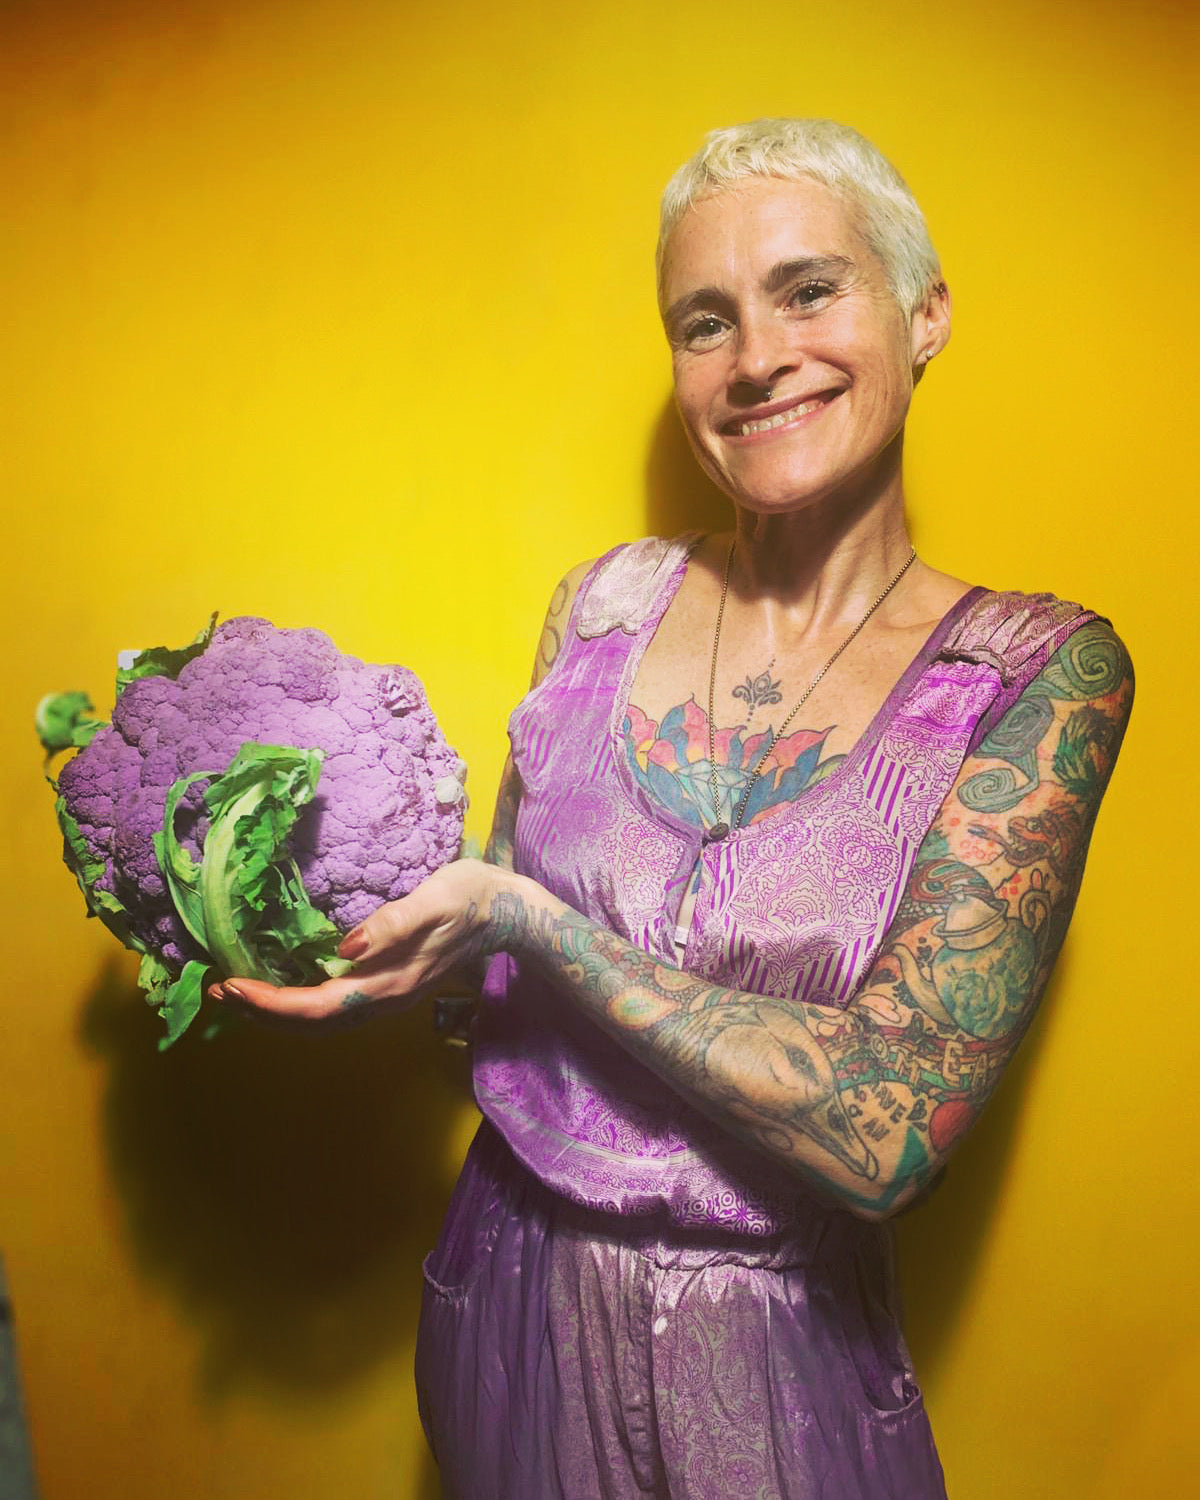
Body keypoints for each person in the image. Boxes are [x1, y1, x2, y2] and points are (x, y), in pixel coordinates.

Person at [214, 119, 1132, 1497]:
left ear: (925, 312)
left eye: (809, 290)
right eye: (706, 321)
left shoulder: (1036, 675)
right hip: (504, 1299)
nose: (756, 357)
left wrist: (532, 921)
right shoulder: (603, 606)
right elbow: (492, 984)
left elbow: (888, 1131)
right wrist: (335, 926)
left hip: (772, 1351)